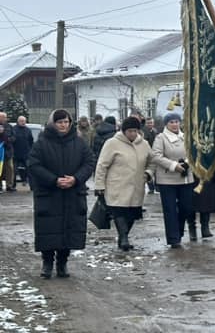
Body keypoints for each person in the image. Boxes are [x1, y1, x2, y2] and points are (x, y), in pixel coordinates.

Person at [26, 110, 95, 278]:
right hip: (49, 194)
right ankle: (47, 262)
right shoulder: (42, 143)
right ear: (53, 124)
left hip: (72, 193)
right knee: (48, 229)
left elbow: (89, 162)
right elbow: (34, 165)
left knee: (68, 229)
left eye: (66, 122)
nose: (63, 125)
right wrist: (53, 180)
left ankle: (63, 263)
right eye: (59, 122)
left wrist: (76, 179)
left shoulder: (79, 142)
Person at [94, 116, 153, 252]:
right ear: (124, 131)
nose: (133, 134)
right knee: (118, 212)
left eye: (135, 131)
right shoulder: (112, 143)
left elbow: (152, 162)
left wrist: (148, 173)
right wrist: (99, 185)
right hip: (117, 185)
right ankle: (124, 237)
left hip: (136, 185)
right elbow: (102, 165)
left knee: (132, 213)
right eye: (130, 131)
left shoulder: (144, 144)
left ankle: (123, 237)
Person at [151, 113, 196, 248]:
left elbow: (194, 151)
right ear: (166, 124)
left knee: (186, 207)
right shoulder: (161, 138)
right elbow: (156, 156)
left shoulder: (186, 137)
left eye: (177, 122)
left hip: (185, 178)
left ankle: (180, 231)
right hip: (167, 179)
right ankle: (173, 238)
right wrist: (173, 165)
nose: (175, 124)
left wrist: (188, 162)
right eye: (171, 122)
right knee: (170, 209)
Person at [12, 116, 34, 187]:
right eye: (21, 121)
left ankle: (32, 186)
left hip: (26, 154)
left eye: (24, 121)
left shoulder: (28, 130)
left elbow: (31, 141)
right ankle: (12, 186)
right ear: (18, 121)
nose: (23, 122)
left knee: (30, 170)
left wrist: (30, 150)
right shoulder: (13, 129)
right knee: (14, 171)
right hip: (15, 154)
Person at [142, 117, 158, 194]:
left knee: (156, 171)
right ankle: (151, 188)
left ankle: (156, 188)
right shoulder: (144, 132)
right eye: (148, 123)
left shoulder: (155, 131)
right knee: (149, 171)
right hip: (148, 153)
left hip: (155, 153)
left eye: (151, 123)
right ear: (146, 124)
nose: (150, 124)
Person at [0, 111, 15, 192]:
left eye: (5, 117)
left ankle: (9, 185)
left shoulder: (9, 126)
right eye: (3, 117)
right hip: (0, 151)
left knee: (10, 168)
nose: (4, 119)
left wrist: (9, 140)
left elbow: (14, 137)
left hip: (8, 151)